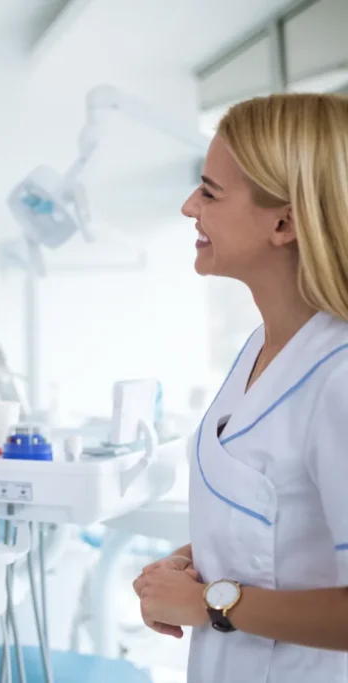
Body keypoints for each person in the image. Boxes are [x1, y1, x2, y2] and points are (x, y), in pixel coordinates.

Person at [133, 92, 348, 682]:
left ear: (285, 223)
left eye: (210, 192)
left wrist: (210, 603)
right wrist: (187, 565)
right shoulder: (263, 347)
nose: (188, 206)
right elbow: (283, 528)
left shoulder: (339, 377)